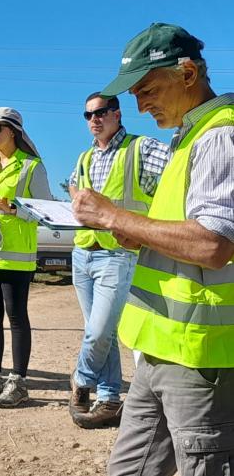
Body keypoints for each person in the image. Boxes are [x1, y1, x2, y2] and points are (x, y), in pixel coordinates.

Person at [72, 23, 234, 476]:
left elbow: (214, 244)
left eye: (146, 89)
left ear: (187, 73)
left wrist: (114, 219)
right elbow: (186, 232)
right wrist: (140, 237)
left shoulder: (220, 137)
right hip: (158, 351)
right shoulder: (188, 135)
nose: (141, 105)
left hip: (198, 358)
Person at [67, 93, 169, 429]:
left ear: (117, 114)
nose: (93, 119)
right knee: (102, 332)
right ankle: (109, 400)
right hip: (84, 253)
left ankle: (81, 379)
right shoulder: (84, 158)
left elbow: (180, 178)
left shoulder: (143, 149)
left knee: (98, 333)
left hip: (119, 254)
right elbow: (72, 186)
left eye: (100, 113)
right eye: (87, 115)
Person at [0, 107, 53, 408]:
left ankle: (18, 382)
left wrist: (12, 209)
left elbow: (46, 211)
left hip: (15, 256)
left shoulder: (31, 167)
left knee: (16, 318)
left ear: (13, 131)